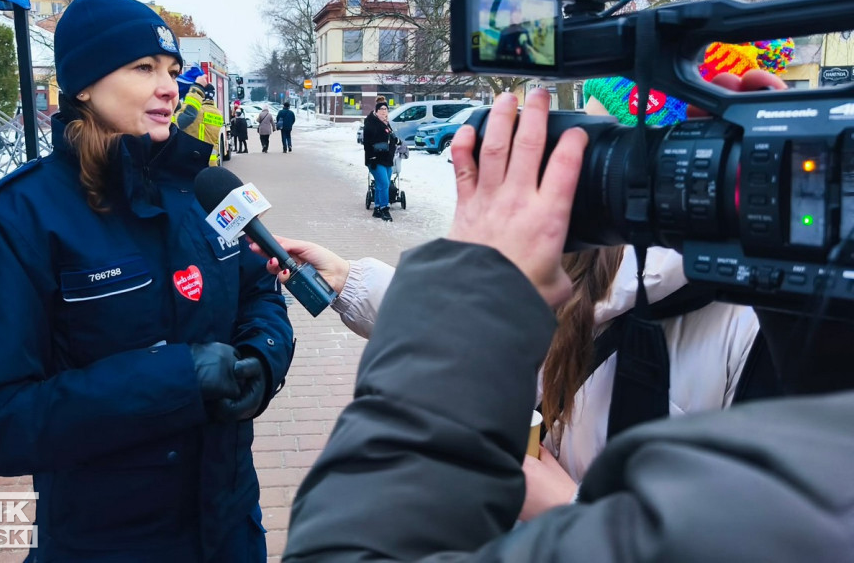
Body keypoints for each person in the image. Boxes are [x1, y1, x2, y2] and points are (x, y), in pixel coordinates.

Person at [283, 82, 854, 562]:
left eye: (609, 145)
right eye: (584, 138)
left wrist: (570, 511)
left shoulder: (761, 321)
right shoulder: (571, 260)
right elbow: (479, 343)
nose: (578, 169)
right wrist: (349, 279)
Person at [0, 0, 294, 563]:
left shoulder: (201, 189)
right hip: (107, 542)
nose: (170, 87)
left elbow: (259, 290)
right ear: (83, 85)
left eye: (172, 70)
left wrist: (262, 357)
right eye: (143, 68)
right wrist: (175, 381)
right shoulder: (18, 219)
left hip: (231, 526)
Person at [174, 64, 224, 167]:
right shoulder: (218, 114)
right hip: (211, 163)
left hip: (193, 161)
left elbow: (185, 115)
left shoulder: (197, 111)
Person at [363, 101, 399, 221]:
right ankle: (384, 209)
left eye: (386, 109)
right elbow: (367, 143)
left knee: (382, 184)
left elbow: (390, 138)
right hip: (376, 160)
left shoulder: (386, 124)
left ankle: (377, 208)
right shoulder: (371, 123)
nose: (384, 111)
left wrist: (396, 141)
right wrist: (371, 157)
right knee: (384, 184)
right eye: (381, 109)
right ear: (376, 111)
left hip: (387, 159)